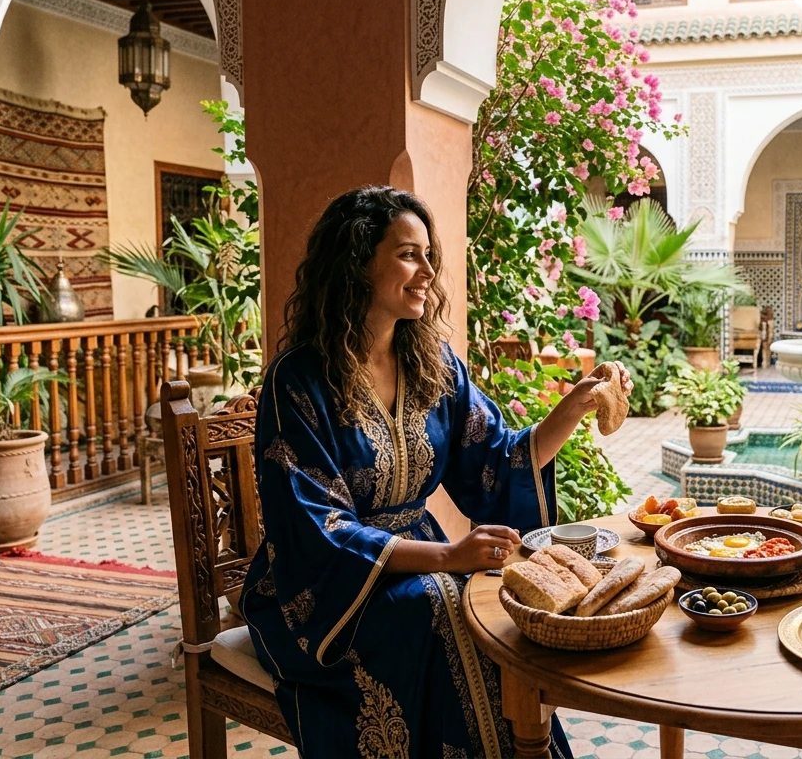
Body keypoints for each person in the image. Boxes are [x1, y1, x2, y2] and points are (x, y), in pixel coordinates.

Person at [240, 186, 630, 758]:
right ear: (356, 262)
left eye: (428, 255)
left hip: (419, 561)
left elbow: (496, 462)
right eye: (407, 254)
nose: (427, 271)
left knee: (488, 611)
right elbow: (317, 530)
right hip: (321, 589)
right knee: (435, 611)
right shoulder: (297, 382)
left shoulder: (431, 364)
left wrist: (573, 405)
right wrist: (449, 557)